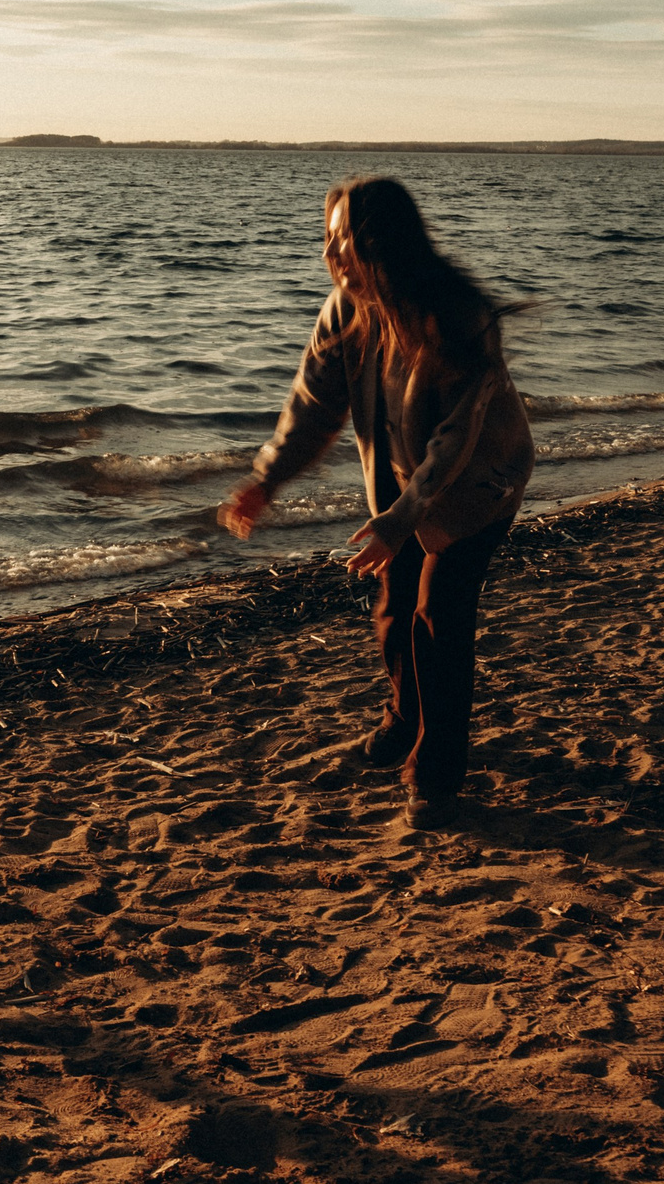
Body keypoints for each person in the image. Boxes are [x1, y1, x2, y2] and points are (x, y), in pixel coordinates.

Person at [219, 176, 534, 828]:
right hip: (398, 475)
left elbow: (455, 441)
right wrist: (266, 479)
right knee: (394, 610)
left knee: (437, 618)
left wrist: (404, 519)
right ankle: (404, 717)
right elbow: (314, 404)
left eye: (346, 242)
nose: (332, 256)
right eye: (328, 240)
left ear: (383, 244)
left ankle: (435, 774)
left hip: (478, 484)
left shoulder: (458, 316)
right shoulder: (345, 309)